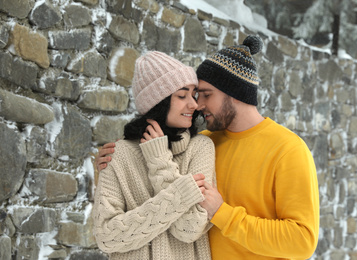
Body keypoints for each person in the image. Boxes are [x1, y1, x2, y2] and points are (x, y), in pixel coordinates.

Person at [96, 36, 320, 260]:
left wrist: (224, 214)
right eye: (194, 95)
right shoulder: (207, 140)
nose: (197, 105)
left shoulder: (288, 149)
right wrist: (108, 165)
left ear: (235, 93)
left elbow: (302, 241)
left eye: (206, 95)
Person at [92, 51, 215, 260]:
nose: (194, 105)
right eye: (181, 95)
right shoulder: (118, 154)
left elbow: (190, 229)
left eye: (193, 94)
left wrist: (160, 162)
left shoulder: (201, 147)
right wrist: (182, 193)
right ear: (159, 102)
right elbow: (106, 237)